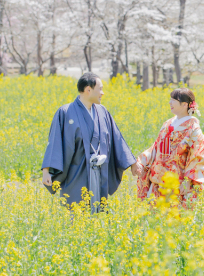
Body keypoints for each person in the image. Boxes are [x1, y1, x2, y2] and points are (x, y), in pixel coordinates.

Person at [41, 73, 141, 212]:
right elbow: (55, 142)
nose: (102, 93)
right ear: (88, 90)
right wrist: (46, 171)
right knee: (76, 210)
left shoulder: (102, 111)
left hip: (100, 170)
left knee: (98, 209)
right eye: (100, 89)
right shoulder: (65, 112)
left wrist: (132, 163)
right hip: (76, 171)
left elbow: (117, 138)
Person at [135, 88, 204, 205]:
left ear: (185, 104)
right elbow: (156, 147)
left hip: (177, 182)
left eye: (173, 100)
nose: (170, 103)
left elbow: (198, 155)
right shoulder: (167, 123)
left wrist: (188, 180)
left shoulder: (193, 128)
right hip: (158, 179)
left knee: (174, 217)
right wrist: (141, 161)